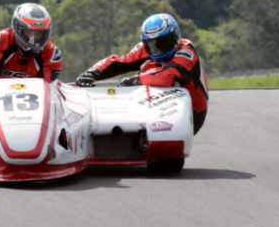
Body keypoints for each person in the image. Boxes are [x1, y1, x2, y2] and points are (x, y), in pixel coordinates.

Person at [75, 13, 208, 135]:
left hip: (192, 111)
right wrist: (92, 73)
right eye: (151, 44)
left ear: (176, 37)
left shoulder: (186, 53)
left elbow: (167, 76)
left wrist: (136, 81)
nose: (157, 49)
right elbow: (118, 62)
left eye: (164, 43)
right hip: (158, 103)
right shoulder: (145, 49)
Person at [0, 3, 62, 81]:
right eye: (30, 32)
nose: (34, 38)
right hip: (0, 92)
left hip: (35, 93)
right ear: (17, 28)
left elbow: (49, 86)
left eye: (39, 33)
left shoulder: (52, 53)